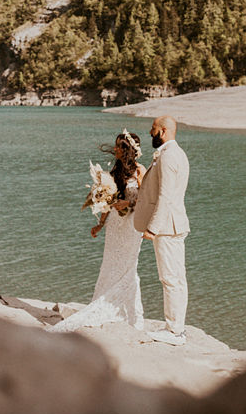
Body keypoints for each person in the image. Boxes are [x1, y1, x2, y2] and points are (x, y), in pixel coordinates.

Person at [55, 131, 145, 332]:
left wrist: (129, 202)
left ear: (127, 150)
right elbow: (108, 202)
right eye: (115, 146)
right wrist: (100, 224)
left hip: (132, 225)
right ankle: (109, 304)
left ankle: (130, 311)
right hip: (115, 225)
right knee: (110, 264)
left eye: (119, 147)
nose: (115, 149)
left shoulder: (140, 171)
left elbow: (146, 199)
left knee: (130, 267)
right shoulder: (114, 172)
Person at [133, 115, 190, 345]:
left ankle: (174, 331)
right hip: (173, 223)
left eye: (153, 128)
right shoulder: (175, 154)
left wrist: (153, 228)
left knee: (170, 279)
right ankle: (177, 326)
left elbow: (166, 195)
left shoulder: (168, 156)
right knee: (176, 278)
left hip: (167, 226)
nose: (149, 132)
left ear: (163, 131)